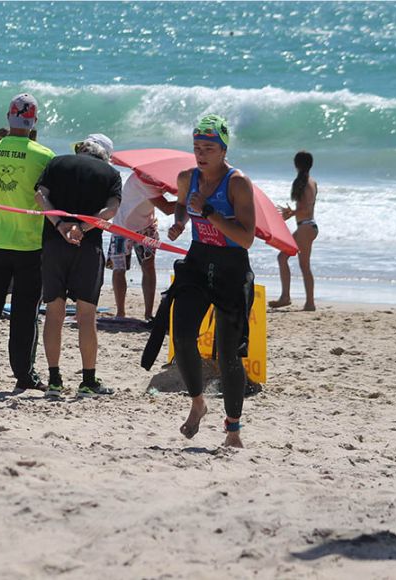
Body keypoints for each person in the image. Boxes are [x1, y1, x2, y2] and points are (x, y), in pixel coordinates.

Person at [155, 114, 256, 448]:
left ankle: (233, 430)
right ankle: (198, 401)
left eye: (209, 147)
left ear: (223, 149)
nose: (201, 153)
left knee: (228, 353)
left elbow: (246, 238)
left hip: (230, 267)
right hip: (198, 261)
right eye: (197, 147)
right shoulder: (187, 177)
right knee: (181, 334)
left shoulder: (238, 182)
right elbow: (183, 207)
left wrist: (211, 213)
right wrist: (180, 223)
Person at [0, 93, 55, 391]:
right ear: (34, 121)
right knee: (24, 313)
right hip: (29, 244)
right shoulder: (45, 156)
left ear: (9, 117)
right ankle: (23, 374)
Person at [35, 133, 122, 397]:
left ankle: (54, 380)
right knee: (86, 316)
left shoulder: (57, 163)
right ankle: (88, 381)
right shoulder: (110, 174)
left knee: (54, 313)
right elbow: (110, 211)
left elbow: (41, 197)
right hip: (87, 246)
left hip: (54, 242)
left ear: (80, 149)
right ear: (104, 155)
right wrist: (82, 228)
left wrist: (61, 225)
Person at [107, 173, 176, 321]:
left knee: (148, 266)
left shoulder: (157, 178)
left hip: (146, 226)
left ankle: (148, 314)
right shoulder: (142, 180)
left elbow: (174, 191)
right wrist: (195, 201)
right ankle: (120, 313)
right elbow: (168, 208)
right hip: (122, 227)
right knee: (119, 269)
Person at [270, 151, 318, 311]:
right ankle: (306, 302)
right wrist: (293, 213)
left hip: (306, 226)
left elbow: (305, 207)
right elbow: (307, 206)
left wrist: (291, 213)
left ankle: (289, 297)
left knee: (287, 259)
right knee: (294, 262)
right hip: (308, 226)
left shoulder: (303, 183)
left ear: (296, 165)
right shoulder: (312, 182)